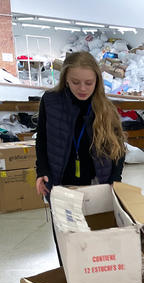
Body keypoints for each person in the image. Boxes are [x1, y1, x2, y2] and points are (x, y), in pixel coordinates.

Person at [35, 51, 125, 198]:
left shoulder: (105, 107)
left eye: (89, 83)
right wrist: (42, 171)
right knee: (62, 221)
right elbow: (42, 140)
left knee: (95, 221)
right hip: (60, 183)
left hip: (97, 185)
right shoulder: (50, 101)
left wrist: (115, 179)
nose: (82, 88)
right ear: (66, 79)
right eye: (75, 82)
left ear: (97, 81)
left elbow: (119, 148)